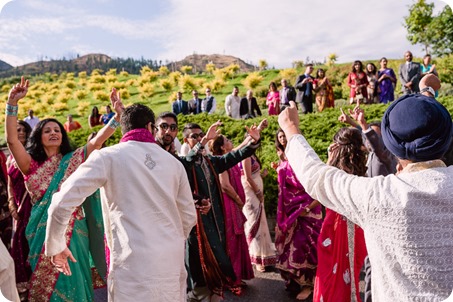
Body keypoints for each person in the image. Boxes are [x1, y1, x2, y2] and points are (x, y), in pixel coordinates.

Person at [278, 96, 453, 301]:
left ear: (391, 144)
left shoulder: (378, 196)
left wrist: (291, 128)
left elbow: (316, 176)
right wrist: (428, 96)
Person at [45, 103, 197, 302]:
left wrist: (56, 244)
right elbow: (188, 215)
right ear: (151, 127)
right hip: (170, 260)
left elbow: (61, 202)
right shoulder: (174, 164)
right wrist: (172, 238)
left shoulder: (108, 157)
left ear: (124, 128)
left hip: (131, 262)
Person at [5, 77, 122, 301]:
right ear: (38, 136)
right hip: (42, 235)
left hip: (75, 232)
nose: (53, 133)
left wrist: (116, 117)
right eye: (47, 130)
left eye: (57, 129)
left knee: (76, 281)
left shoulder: (73, 159)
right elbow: (12, 141)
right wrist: (12, 105)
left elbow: (97, 142)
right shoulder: (31, 165)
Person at [179, 121, 261, 301]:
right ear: (186, 140)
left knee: (219, 256)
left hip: (216, 219)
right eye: (195, 136)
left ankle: (214, 289)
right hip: (196, 223)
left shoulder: (210, 162)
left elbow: (233, 157)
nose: (201, 138)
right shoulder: (183, 164)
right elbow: (189, 162)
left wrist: (253, 143)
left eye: (202, 135)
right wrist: (205, 141)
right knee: (197, 259)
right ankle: (197, 293)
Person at [313, 127, 368, 302]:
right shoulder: (360, 169)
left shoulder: (334, 171)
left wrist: (329, 160)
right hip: (356, 225)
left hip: (334, 225)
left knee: (329, 272)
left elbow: (318, 190)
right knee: (350, 272)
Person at [273, 129, 322, 301]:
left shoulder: (305, 160)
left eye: (285, 135)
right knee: (291, 248)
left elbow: (316, 186)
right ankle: (298, 282)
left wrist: (307, 208)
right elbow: (284, 190)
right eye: (280, 137)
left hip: (308, 211)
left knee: (307, 247)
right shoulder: (283, 160)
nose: (283, 138)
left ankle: (310, 284)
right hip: (290, 212)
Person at [209, 134, 254, 296]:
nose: (230, 142)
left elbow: (239, 149)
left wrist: (251, 139)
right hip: (229, 204)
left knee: (238, 238)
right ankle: (230, 279)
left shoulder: (229, 158)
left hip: (234, 203)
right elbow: (225, 185)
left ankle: (237, 275)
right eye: (227, 141)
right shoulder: (221, 162)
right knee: (232, 241)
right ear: (222, 147)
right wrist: (239, 201)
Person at [240, 132, 276, 273]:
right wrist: (258, 192)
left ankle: (264, 256)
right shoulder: (246, 155)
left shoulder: (253, 155)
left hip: (255, 193)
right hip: (250, 194)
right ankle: (255, 259)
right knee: (253, 224)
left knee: (261, 223)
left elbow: (253, 175)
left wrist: (262, 175)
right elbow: (248, 178)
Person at [6, 120, 33, 300]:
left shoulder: (33, 154)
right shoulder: (9, 158)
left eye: (23, 130)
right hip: (17, 208)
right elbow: (9, 182)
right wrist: (11, 203)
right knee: (18, 244)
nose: (20, 132)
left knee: (31, 241)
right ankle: (23, 287)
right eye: (17, 130)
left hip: (31, 206)